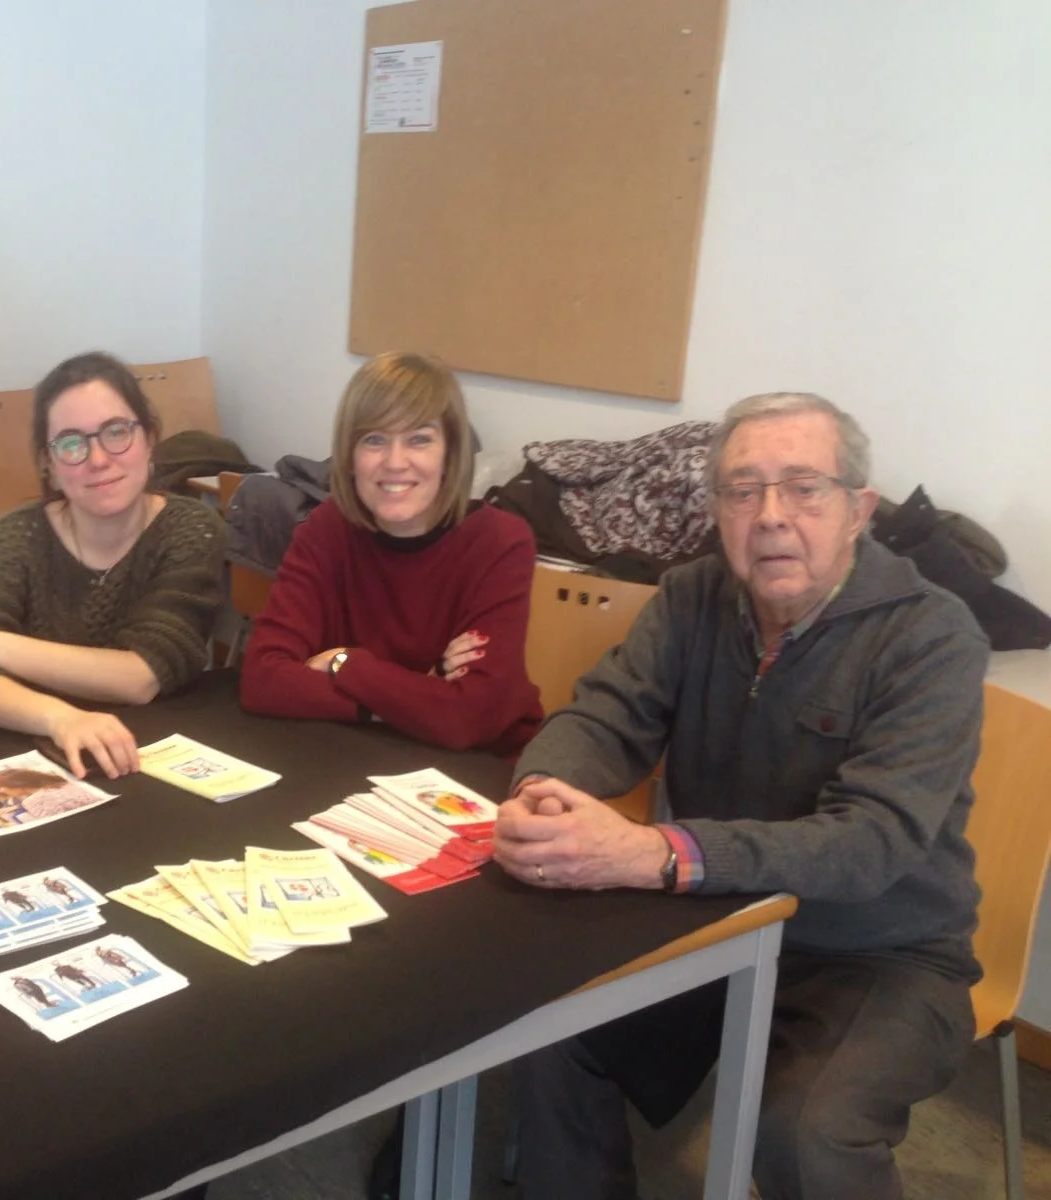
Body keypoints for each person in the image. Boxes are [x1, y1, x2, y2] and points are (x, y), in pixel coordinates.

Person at [495, 393, 989, 1200]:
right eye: (742, 490)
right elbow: (608, 714)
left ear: (858, 509)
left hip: (878, 950)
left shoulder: (932, 638)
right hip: (715, 916)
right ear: (717, 509)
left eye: (804, 487)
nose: (770, 516)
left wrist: (660, 855)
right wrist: (545, 791)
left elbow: (870, 843)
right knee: (556, 1027)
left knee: (805, 1131)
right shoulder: (691, 597)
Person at [0, 351, 225, 778]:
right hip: (36, 760)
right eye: (71, 443)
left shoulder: (191, 528)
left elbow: (143, 674)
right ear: (49, 466)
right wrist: (60, 719)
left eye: (116, 432)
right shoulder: (16, 538)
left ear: (149, 440)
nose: (97, 458)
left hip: (158, 761)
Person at [239, 351, 543, 756]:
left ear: (449, 455)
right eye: (375, 440)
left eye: (419, 439)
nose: (395, 462)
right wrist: (417, 698)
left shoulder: (500, 542)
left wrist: (345, 664)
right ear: (349, 457)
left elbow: (467, 719)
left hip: (481, 768)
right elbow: (262, 679)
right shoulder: (329, 528)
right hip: (359, 751)